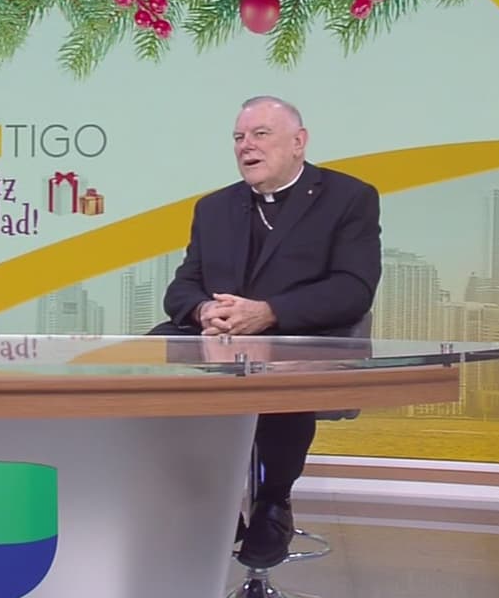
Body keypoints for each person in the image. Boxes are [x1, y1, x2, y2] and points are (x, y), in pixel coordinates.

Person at [152, 96, 382, 568]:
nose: (246, 146)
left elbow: (353, 288)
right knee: (149, 359)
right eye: (239, 137)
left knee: (279, 372)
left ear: (298, 142)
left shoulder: (349, 198)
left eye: (260, 134)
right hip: (221, 343)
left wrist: (268, 313)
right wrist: (203, 310)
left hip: (300, 337)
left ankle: (274, 501)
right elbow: (182, 287)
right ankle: (207, 495)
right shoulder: (214, 208)